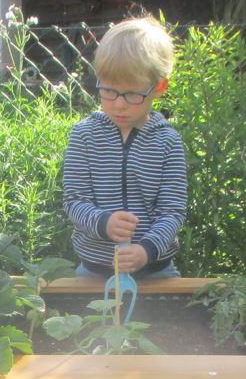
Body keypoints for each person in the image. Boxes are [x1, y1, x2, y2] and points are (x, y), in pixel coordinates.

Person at [62, 15, 188, 279]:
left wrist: (146, 250)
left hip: (155, 272)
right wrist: (103, 222)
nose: (118, 104)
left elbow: (172, 210)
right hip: (94, 272)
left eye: (132, 94)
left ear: (159, 87)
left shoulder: (167, 142)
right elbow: (74, 201)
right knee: (87, 321)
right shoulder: (84, 136)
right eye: (108, 91)